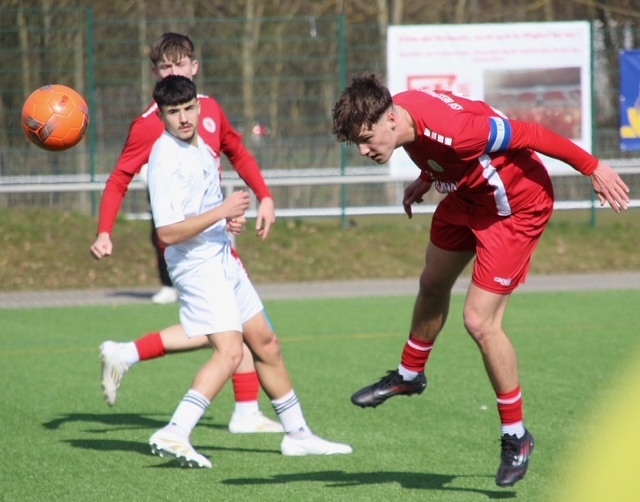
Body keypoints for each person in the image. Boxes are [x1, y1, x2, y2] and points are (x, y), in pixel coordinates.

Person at [331, 73, 630, 487]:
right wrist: (427, 179)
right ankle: (410, 374)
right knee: (432, 282)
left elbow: (530, 134)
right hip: (468, 196)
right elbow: (442, 146)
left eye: (366, 139)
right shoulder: (403, 112)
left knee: (480, 321)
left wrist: (593, 167)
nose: (364, 150)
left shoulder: (457, 133)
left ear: (391, 120)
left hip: (514, 208)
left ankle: (516, 436)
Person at [146, 75, 352, 468]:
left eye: (188, 108)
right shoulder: (165, 158)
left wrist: (225, 221)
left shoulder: (202, 147)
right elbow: (167, 233)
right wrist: (221, 212)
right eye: (173, 112)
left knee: (266, 342)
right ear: (161, 116)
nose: (183, 118)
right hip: (196, 266)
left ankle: (298, 435)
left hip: (221, 256)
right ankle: (175, 431)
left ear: (198, 107)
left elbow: (200, 211)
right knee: (230, 352)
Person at [91, 32, 281, 435]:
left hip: (216, 237)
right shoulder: (150, 126)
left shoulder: (208, 109)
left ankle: (128, 355)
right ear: (155, 74)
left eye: (180, 64)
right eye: (165, 67)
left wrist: (264, 196)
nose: (173, 71)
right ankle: (234, 414)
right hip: (187, 244)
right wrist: (104, 231)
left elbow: (237, 151)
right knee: (235, 330)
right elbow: (119, 178)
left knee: (230, 328)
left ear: (194, 67)